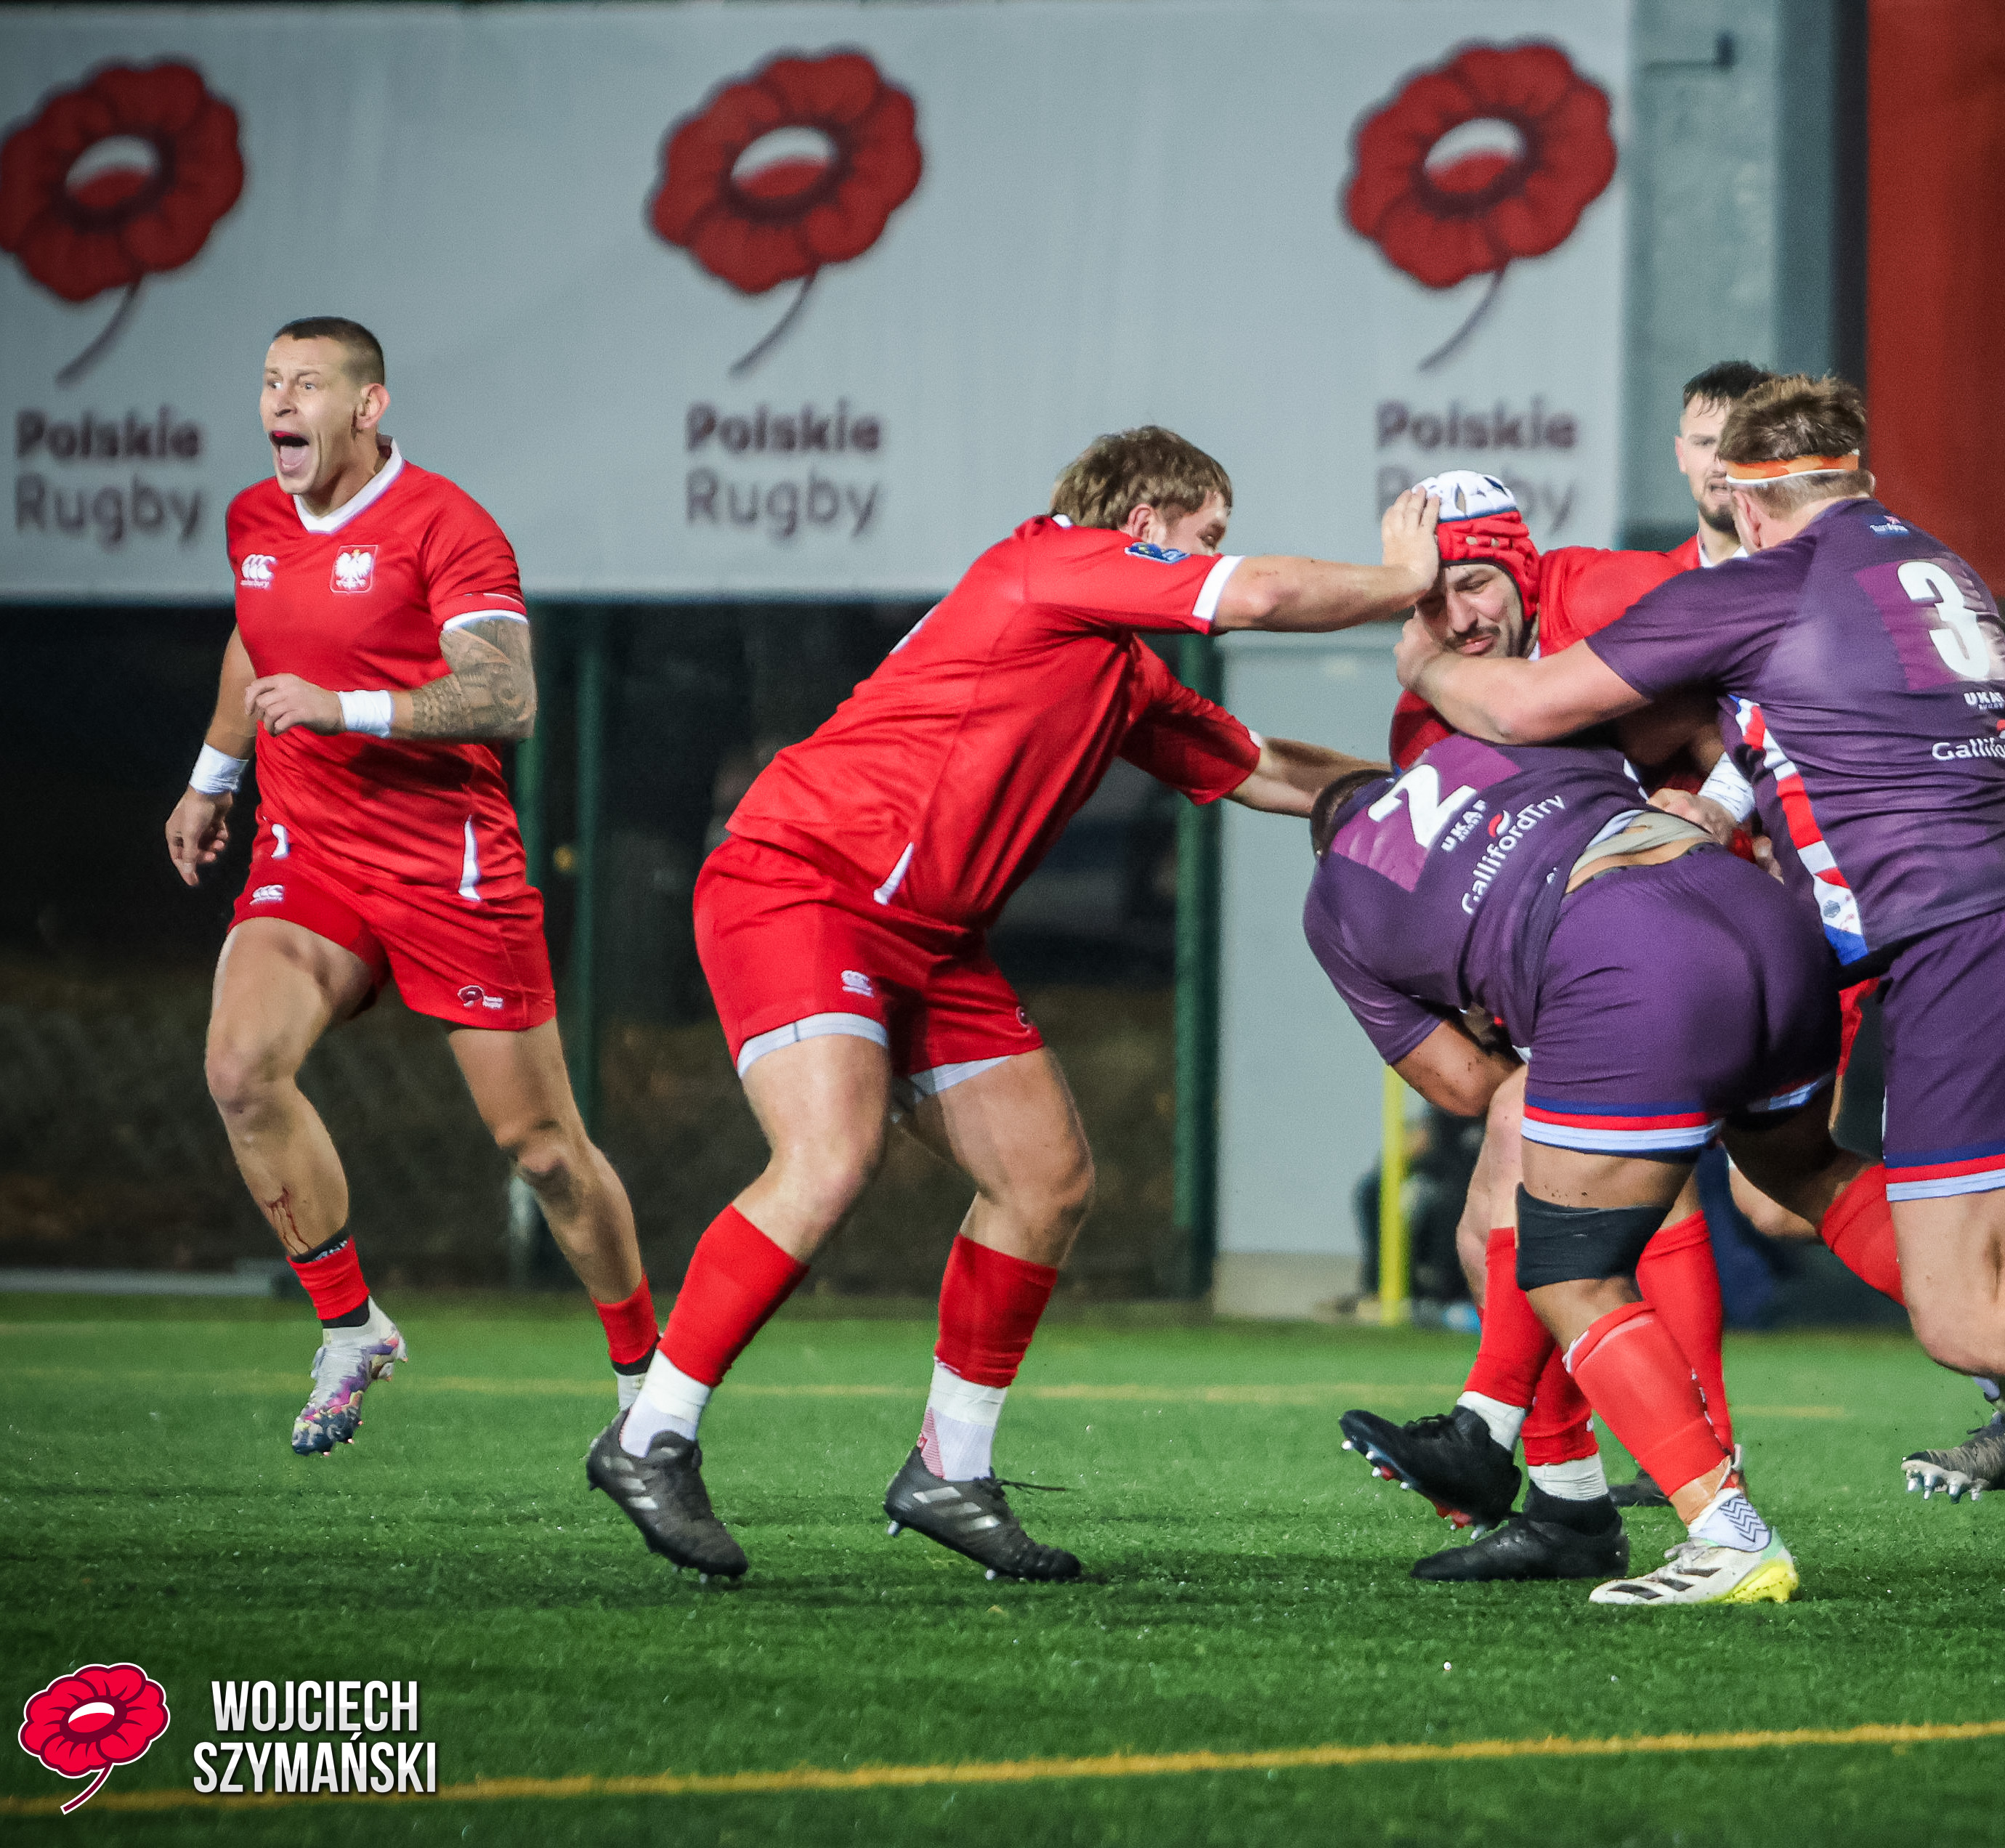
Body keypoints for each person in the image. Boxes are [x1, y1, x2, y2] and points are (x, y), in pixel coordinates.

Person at [1395, 373, 2005, 1598]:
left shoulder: (1762, 581)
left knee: (1964, 1312)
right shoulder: (1932, 562)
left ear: (1749, 504)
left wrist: (1418, 645)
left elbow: (1526, 703)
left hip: (1969, 945)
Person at [586, 428, 1431, 1581]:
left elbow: (1264, 771)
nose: (1214, 558)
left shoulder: (1116, 666)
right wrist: (1410, 581)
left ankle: (951, 1467)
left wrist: (1435, 794)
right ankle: (651, 1434)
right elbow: (1263, 595)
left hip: (930, 937)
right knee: (829, 1156)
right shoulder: (1050, 562)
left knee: (1045, 1180)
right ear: (1142, 524)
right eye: (1207, 534)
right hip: (806, 883)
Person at [166, 317, 657, 1456]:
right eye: (269, 382)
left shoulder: (446, 525)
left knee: (545, 1152)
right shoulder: (254, 520)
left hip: (449, 866)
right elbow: (255, 637)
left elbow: (506, 697)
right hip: (309, 853)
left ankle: (647, 1380)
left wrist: (347, 707)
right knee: (239, 1069)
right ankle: (350, 1327)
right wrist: (212, 778)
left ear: (368, 405)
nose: (279, 403)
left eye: (306, 384)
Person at [1307, 737, 1846, 1605]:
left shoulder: (1351, 879)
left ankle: (1705, 1515)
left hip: (1628, 951)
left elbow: (1464, 1082)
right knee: (1811, 1190)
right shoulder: (1501, 742)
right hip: (1764, 911)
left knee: (1564, 1257)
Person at [1342, 474, 1742, 1576]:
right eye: (1425, 602)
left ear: (1522, 567)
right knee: (1513, 1218)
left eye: (1473, 583)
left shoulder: (1605, 593)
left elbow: (1753, 680)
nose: (1457, 617)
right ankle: (1570, 1497)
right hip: (1623, 966)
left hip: (1719, 925)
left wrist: (1724, 805)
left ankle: (1575, 1464)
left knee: (1559, 1207)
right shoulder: (1425, 715)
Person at [1667, 360, 1773, 568]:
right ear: (1681, 454)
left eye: (1738, 444)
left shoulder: (1813, 578)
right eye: (1704, 443)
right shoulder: (1659, 581)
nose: (1721, 466)